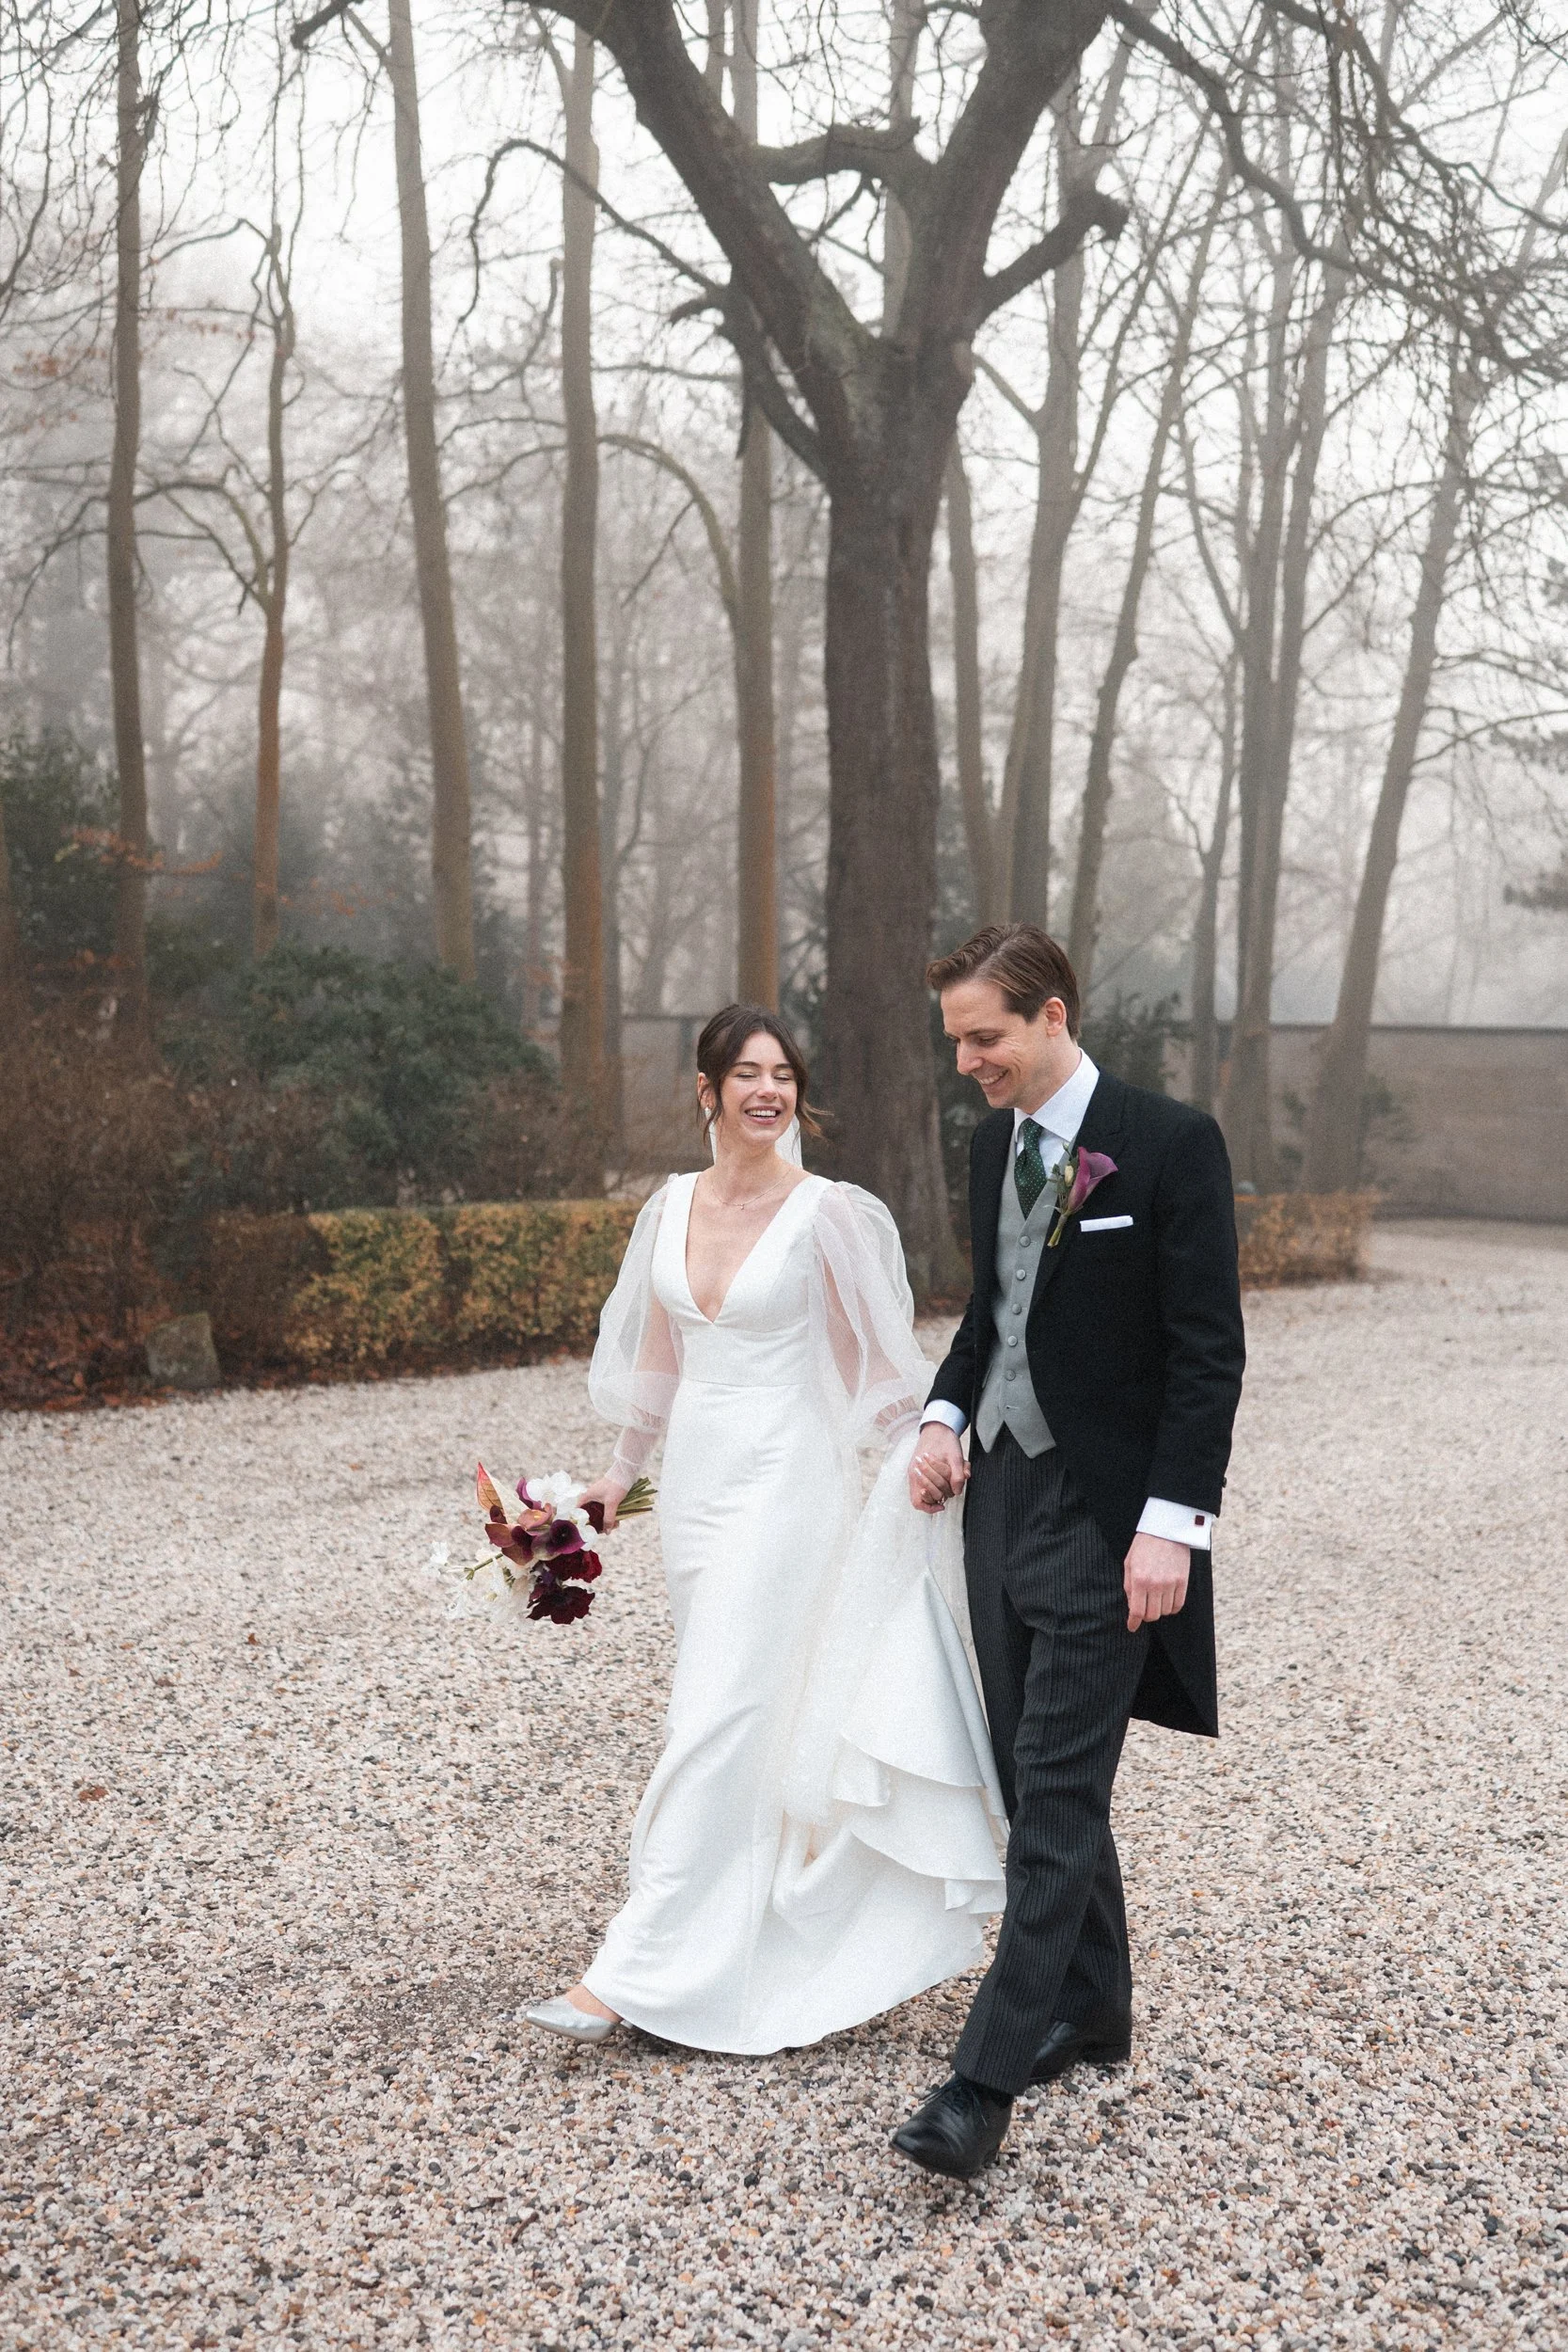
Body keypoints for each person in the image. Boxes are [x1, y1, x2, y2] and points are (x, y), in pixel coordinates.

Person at [522, 1004, 1006, 2056]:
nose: (765, 1089)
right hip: (696, 1492)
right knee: (741, 1716)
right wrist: (614, 1479)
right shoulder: (672, 1203)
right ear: (706, 1091)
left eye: (781, 1072)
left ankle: (630, 1969)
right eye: (743, 1072)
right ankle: (736, 1949)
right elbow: (659, 1358)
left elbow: (878, 1366)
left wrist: (925, 1440)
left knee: (715, 1714)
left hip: (786, 1487)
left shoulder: (828, 1213)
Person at [891, 924, 1245, 2180]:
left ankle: (979, 2087)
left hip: (1106, 1525)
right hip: (999, 1506)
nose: (966, 1064)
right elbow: (988, 1318)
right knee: (1031, 1770)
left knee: (1049, 1790)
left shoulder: (1168, 1144)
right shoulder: (992, 1144)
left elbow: (1206, 1359)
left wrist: (1170, 1529)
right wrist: (941, 1417)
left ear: (1051, 1016)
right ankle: (1091, 2006)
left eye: (982, 1038)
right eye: (956, 1041)